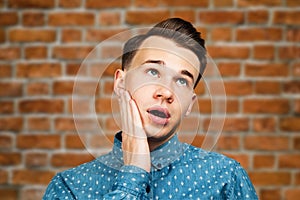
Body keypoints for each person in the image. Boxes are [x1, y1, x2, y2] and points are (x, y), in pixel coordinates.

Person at [43, 18, 258, 199]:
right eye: (153, 72)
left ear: (190, 104)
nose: (166, 92)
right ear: (120, 83)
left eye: (182, 81)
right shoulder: (69, 188)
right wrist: (134, 171)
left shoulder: (226, 178)